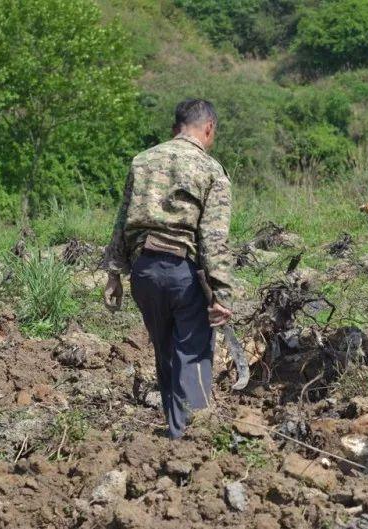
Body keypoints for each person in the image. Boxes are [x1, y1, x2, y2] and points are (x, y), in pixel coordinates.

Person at [101, 99, 234, 439]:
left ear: (175, 128)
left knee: (165, 354)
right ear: (209, 129)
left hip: (144, 272)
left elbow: (122, 219)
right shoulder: (211, 170)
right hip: (182, 272)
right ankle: (194, 438)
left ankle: (175, 431)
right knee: (191, 353)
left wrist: (114, 272)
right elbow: (214, 238)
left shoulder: (142, 161)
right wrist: (221, 293)